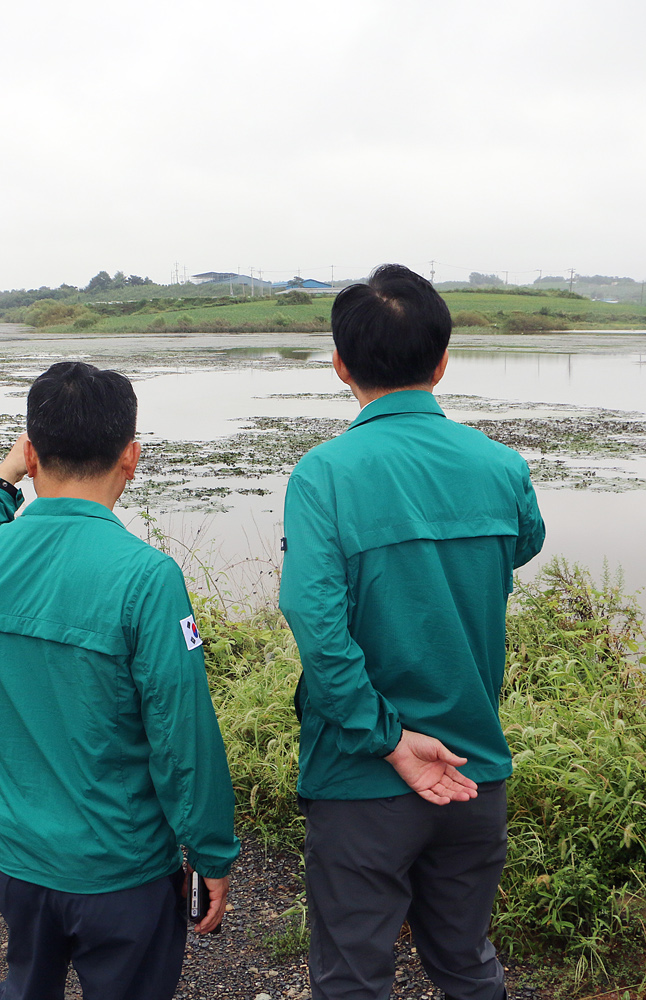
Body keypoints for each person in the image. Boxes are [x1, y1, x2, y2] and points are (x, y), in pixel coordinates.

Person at [278, 265, 545, 1000]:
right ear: (442, 361)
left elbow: (317, 625)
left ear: (340, 365)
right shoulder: (501, 468)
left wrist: (389, 741)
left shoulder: (323, 477)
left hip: (361, 778)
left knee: (354, 976)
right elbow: (521, 547)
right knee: (465, 962)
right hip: (472, 765)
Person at [0, 361, 239, 1000]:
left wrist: (0, 480)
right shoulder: (147, 579)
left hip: (19, 858)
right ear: (131, 458)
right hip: (120, 869)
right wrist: (211, 850)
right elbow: (182, 734)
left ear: (33, 453)